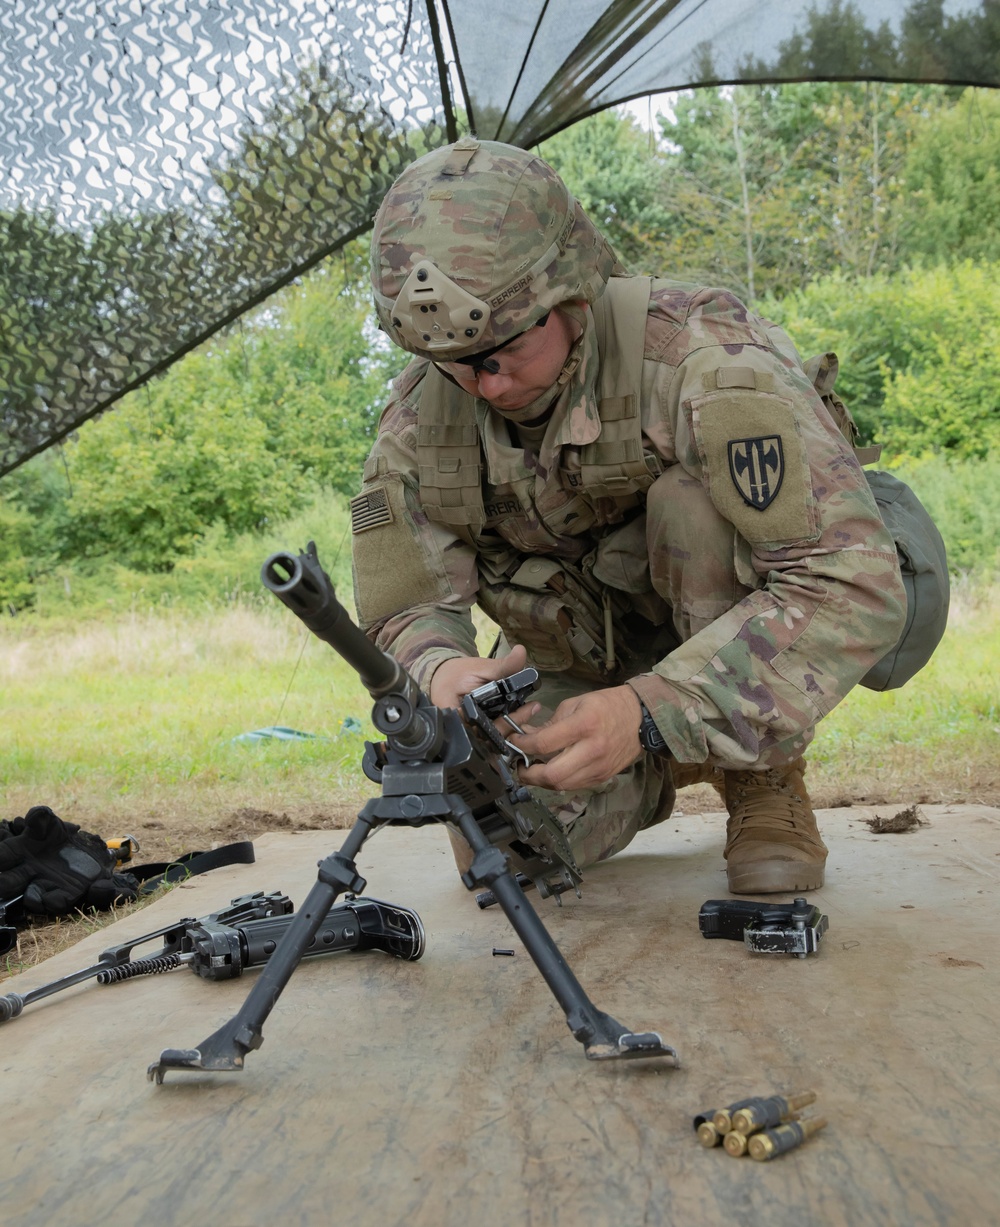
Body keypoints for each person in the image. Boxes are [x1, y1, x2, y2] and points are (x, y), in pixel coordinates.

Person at [350, 137, 906, 894]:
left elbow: (852, 584)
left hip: (724, 637)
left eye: (501, 352)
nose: (482, 384)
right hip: (577, 659)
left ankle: (760, 776)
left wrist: (654, 706)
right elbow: (403, 603)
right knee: (509, 855)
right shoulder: (421, 418)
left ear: (572, 296)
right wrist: (442, 669)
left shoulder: (699, 357)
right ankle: (662, 759)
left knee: (690, 508)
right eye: (452, 361)